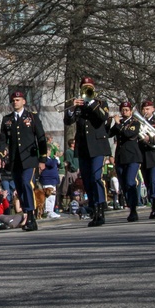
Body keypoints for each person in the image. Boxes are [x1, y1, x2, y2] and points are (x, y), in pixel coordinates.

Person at [0, 90, 47, 232]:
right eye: (13, 100)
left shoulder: (32, 117)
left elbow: (41, 138)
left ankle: (31, 216)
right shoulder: (7, 119)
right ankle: (27, 215)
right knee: (19, 188)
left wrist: (42, 158)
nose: (15, 102)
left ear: (24, 101)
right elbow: (2, 139)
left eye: (18, 100)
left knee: (27, 184)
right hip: (15, 160)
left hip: (29, 160)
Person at [64, 77, 111, 227]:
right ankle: (93, 208)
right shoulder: (78, 106)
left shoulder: (100, 103)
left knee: (96, 177)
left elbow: (103, 117)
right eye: (84, 87)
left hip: (97, 146)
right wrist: (72, 107)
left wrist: (90, 102)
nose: (87, 89)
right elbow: (68, 121)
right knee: (87, 179)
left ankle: (100, 207)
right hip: (83, 146)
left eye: (89, 87)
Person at [108, 102, 143, 222]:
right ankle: (130, 206)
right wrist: (110, 122)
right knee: (123, 185)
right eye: (122, 110)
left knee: (130, 182)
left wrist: (118, 124)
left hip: (132, 157)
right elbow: (109, 134)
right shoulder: (120, 123)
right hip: (120, 157)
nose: (124, 112)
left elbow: (129, 133)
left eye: (127, 110)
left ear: (130, 111)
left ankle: (133, 209)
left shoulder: (135, 122)